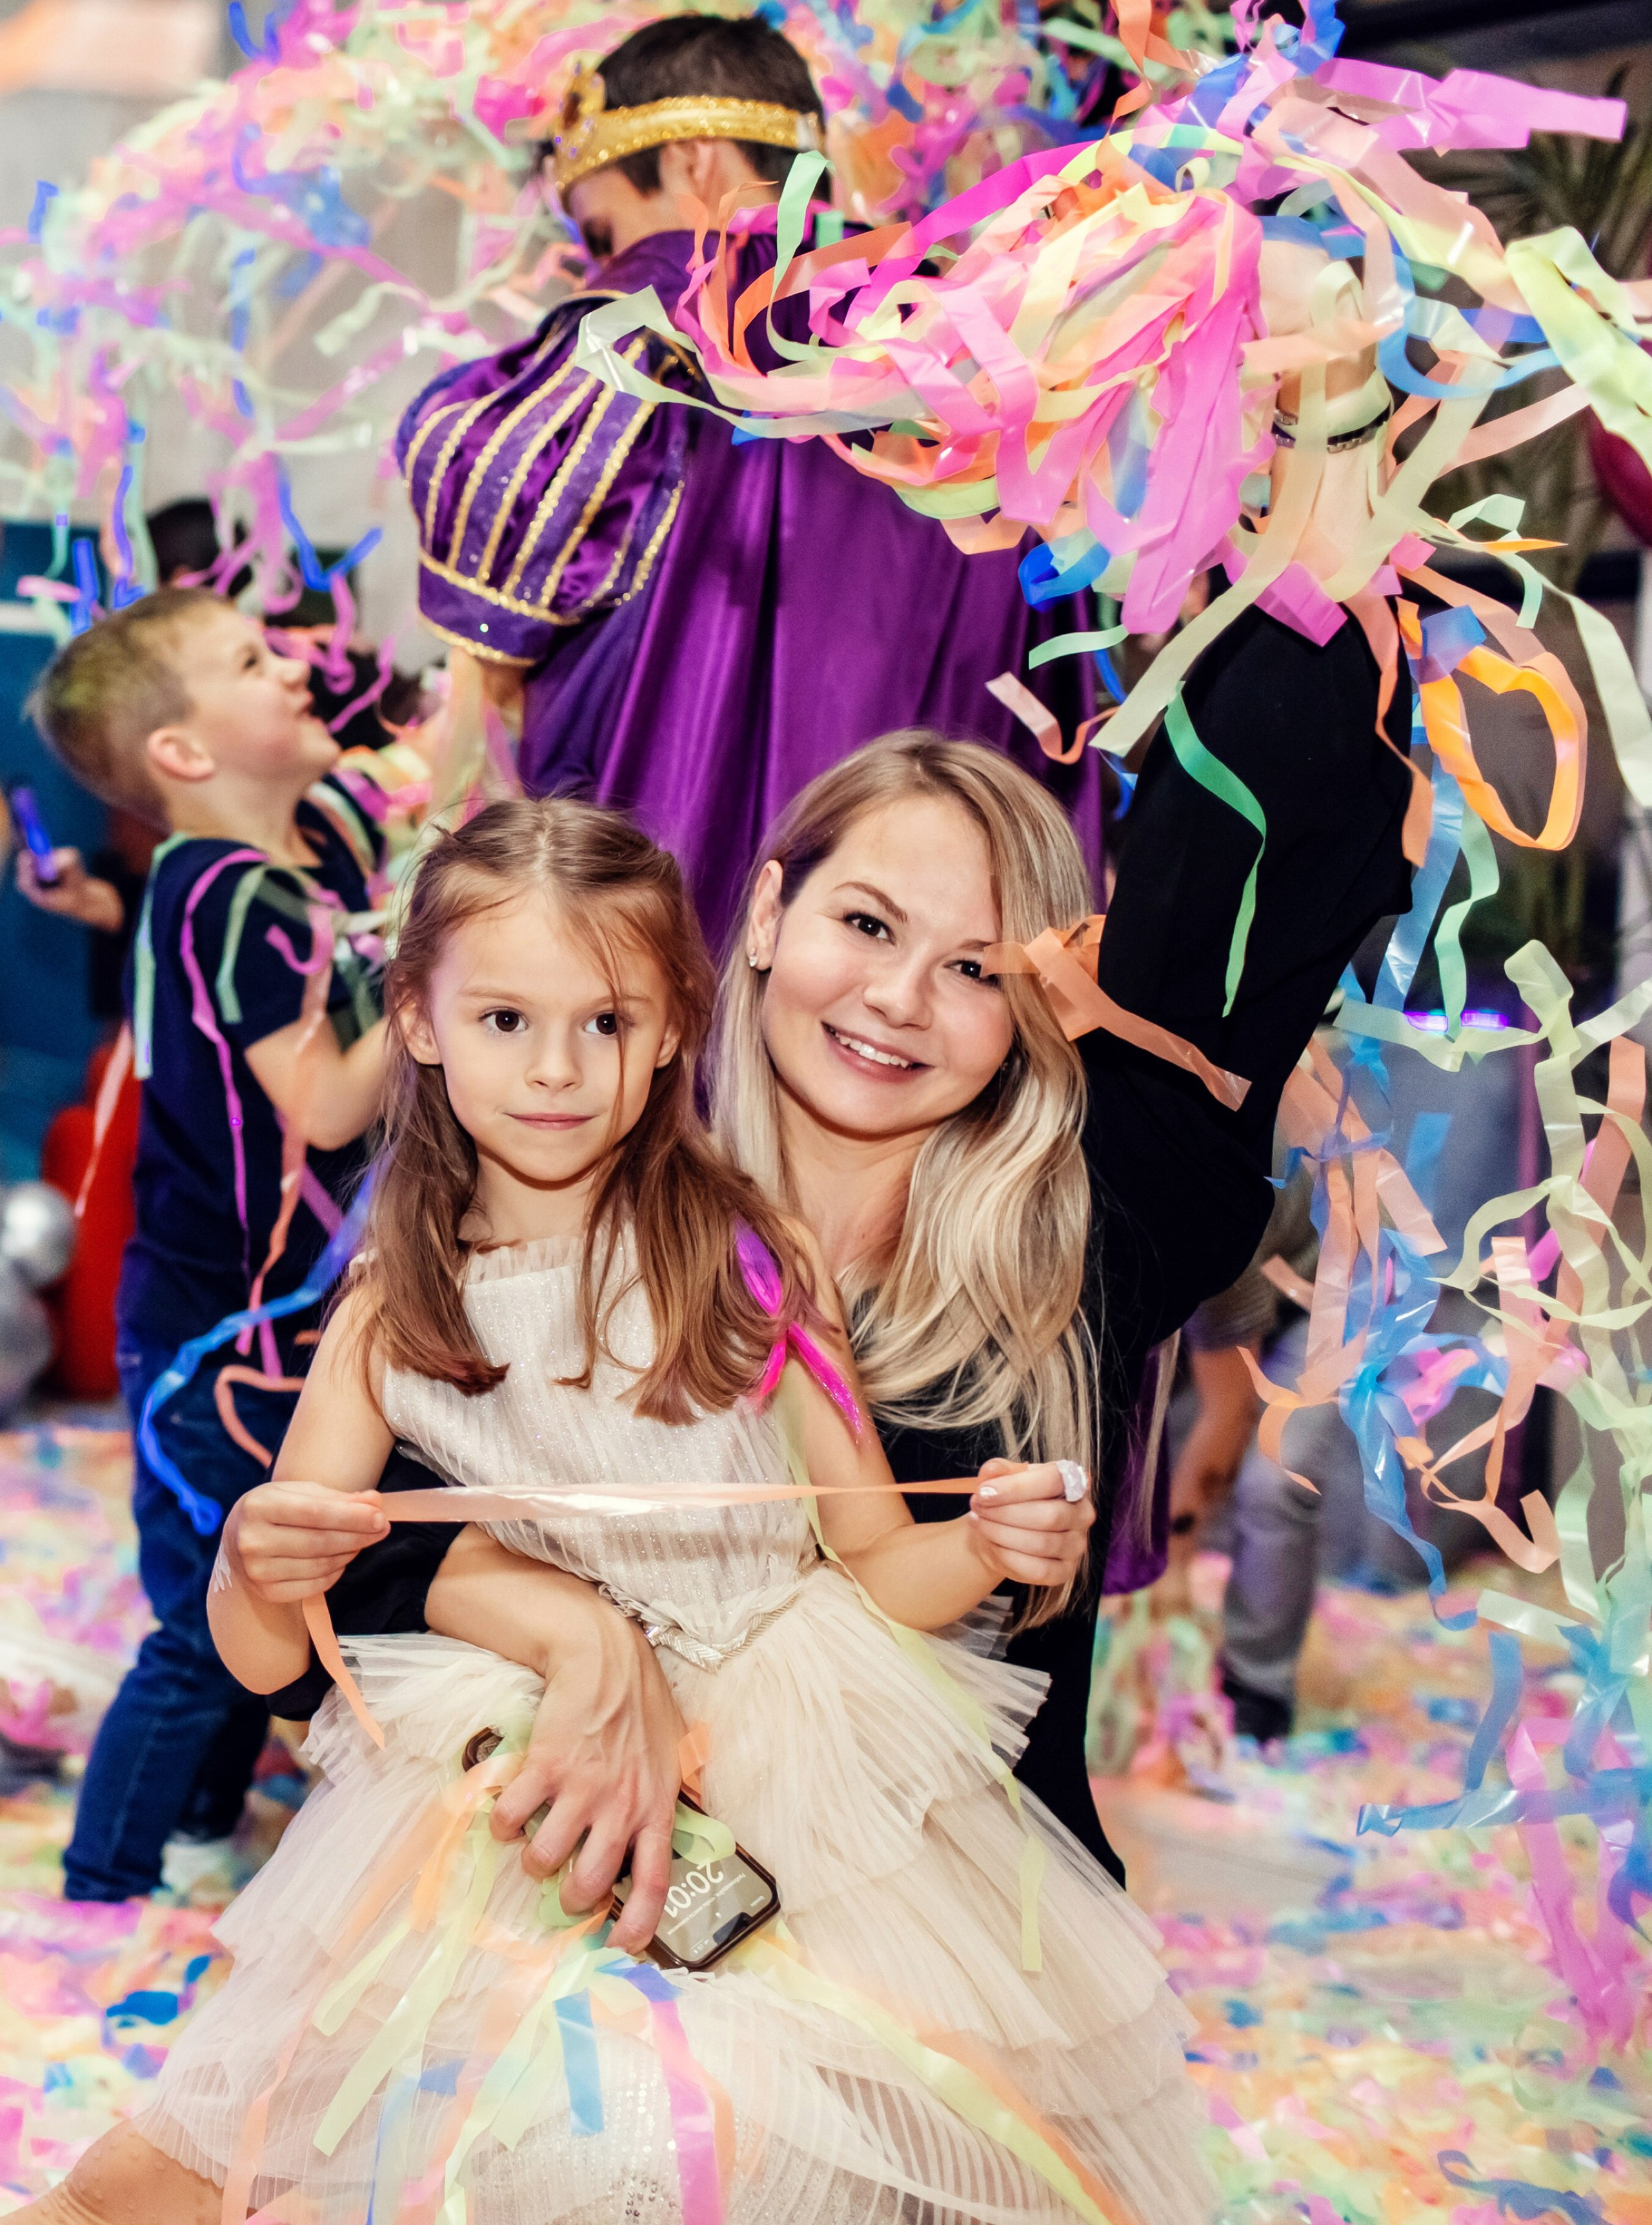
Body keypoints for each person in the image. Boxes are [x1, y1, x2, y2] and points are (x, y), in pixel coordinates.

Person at [24, 796, 1210, 2225]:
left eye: (603, 1023)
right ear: (415, 1018)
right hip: (507, 1779)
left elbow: (879, 1553)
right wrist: (256, 1560)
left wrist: (989, 1540)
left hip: (803, 1755)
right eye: (505, 1020)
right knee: (417, 2126)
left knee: (752, 2122)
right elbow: (271, 1657)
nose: (555, 1070)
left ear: (667, 1032)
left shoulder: (748, 1255)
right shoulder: (390, 1312)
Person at [397, 14, 1104, 957]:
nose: (593, 261)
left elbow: (483, 570)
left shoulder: (627, 341)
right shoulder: (980, 348)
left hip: (659, 973)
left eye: (601, 226)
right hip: (928, 984)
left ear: (692, 162)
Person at [26, 588, 409, 1902]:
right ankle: (107, 1878)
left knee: (274, 1587)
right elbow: (322, 1099)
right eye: (252, 662)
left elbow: (437, 756)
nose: (291, 668)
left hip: (278, 1327)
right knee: (206, 1615)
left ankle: (197, 1827)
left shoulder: (299, 853)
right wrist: (433, 991)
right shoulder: (225, 891)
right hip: (213, 1337)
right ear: (184, 752)